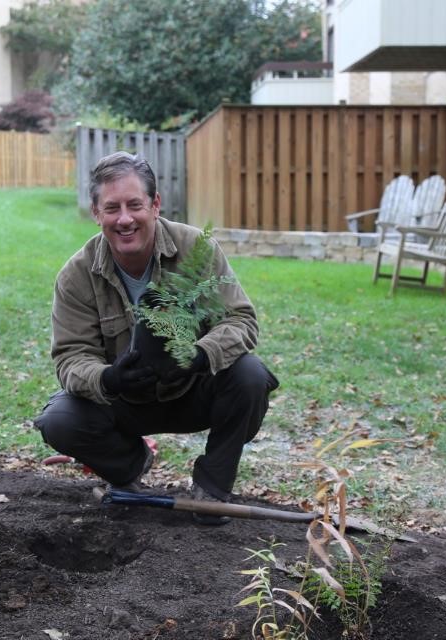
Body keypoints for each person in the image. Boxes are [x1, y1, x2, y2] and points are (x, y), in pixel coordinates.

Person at [34, 151, 278, 525]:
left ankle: (212, 488)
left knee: (250, 375)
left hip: (193, 391)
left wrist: (200, 355)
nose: (125, 218)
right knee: (59, 419)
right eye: (112, 208)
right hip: (122, 402)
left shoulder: (196, 249)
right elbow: (70, 358)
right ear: (96, 213)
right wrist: (107, 378)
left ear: (156, 205)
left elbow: (241, 321)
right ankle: (129, 466)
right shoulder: (77, 275)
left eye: (135, 205)